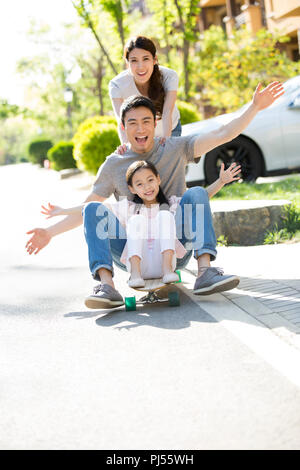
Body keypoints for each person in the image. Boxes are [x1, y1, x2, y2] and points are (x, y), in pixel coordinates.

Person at [26, 81, 284, 309]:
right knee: (94, 209)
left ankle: (205, 272)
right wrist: (50, 232)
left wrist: (254, 108)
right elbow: (86, 210)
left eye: (146, 121)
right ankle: (106, 286)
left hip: (175, 246)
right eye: (132, 123)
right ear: (123, 127)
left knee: (195, 193)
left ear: (155, 123)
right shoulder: (114, 163)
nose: (140, 128)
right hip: (132, 251)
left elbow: (222, 134)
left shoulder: (176, 147)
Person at [109, 35, 181, 144]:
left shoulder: (169, 76)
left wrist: (167, 143)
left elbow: (167, 112)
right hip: (141, 138)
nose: (140, 66)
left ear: (154, 59)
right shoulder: (117, 85)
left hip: (171, 131)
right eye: (134, 60)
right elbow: (122, 122)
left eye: (145, 59)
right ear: (127, 63)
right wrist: (127, 148)